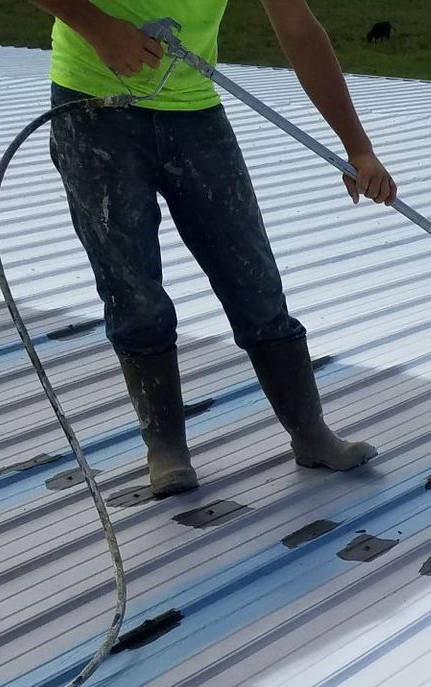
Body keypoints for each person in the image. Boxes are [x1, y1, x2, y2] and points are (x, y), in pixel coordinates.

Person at [32, 0, 398, 496]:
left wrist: (357, 147)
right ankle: (165, 448)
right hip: (94, 109)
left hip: (193, 111)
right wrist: (99, 28)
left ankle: (310, 434)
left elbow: (298, 26)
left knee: (254, 281)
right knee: (132, 289)